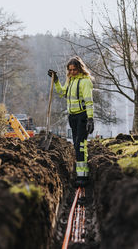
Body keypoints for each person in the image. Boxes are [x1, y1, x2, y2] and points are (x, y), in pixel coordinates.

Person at [48, 56, 94, 185]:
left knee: (80, 144)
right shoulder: (71, 80)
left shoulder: (85, 82)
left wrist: (90, 118)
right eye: (70, 70)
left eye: (74, 69)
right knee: (76, 144)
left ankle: (83, 176)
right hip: (72, 117)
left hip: (83, 116)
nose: (72, 72)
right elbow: (63, 93)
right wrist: (56, 81)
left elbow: (89, 102)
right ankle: (81, 173)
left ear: (80, 68)